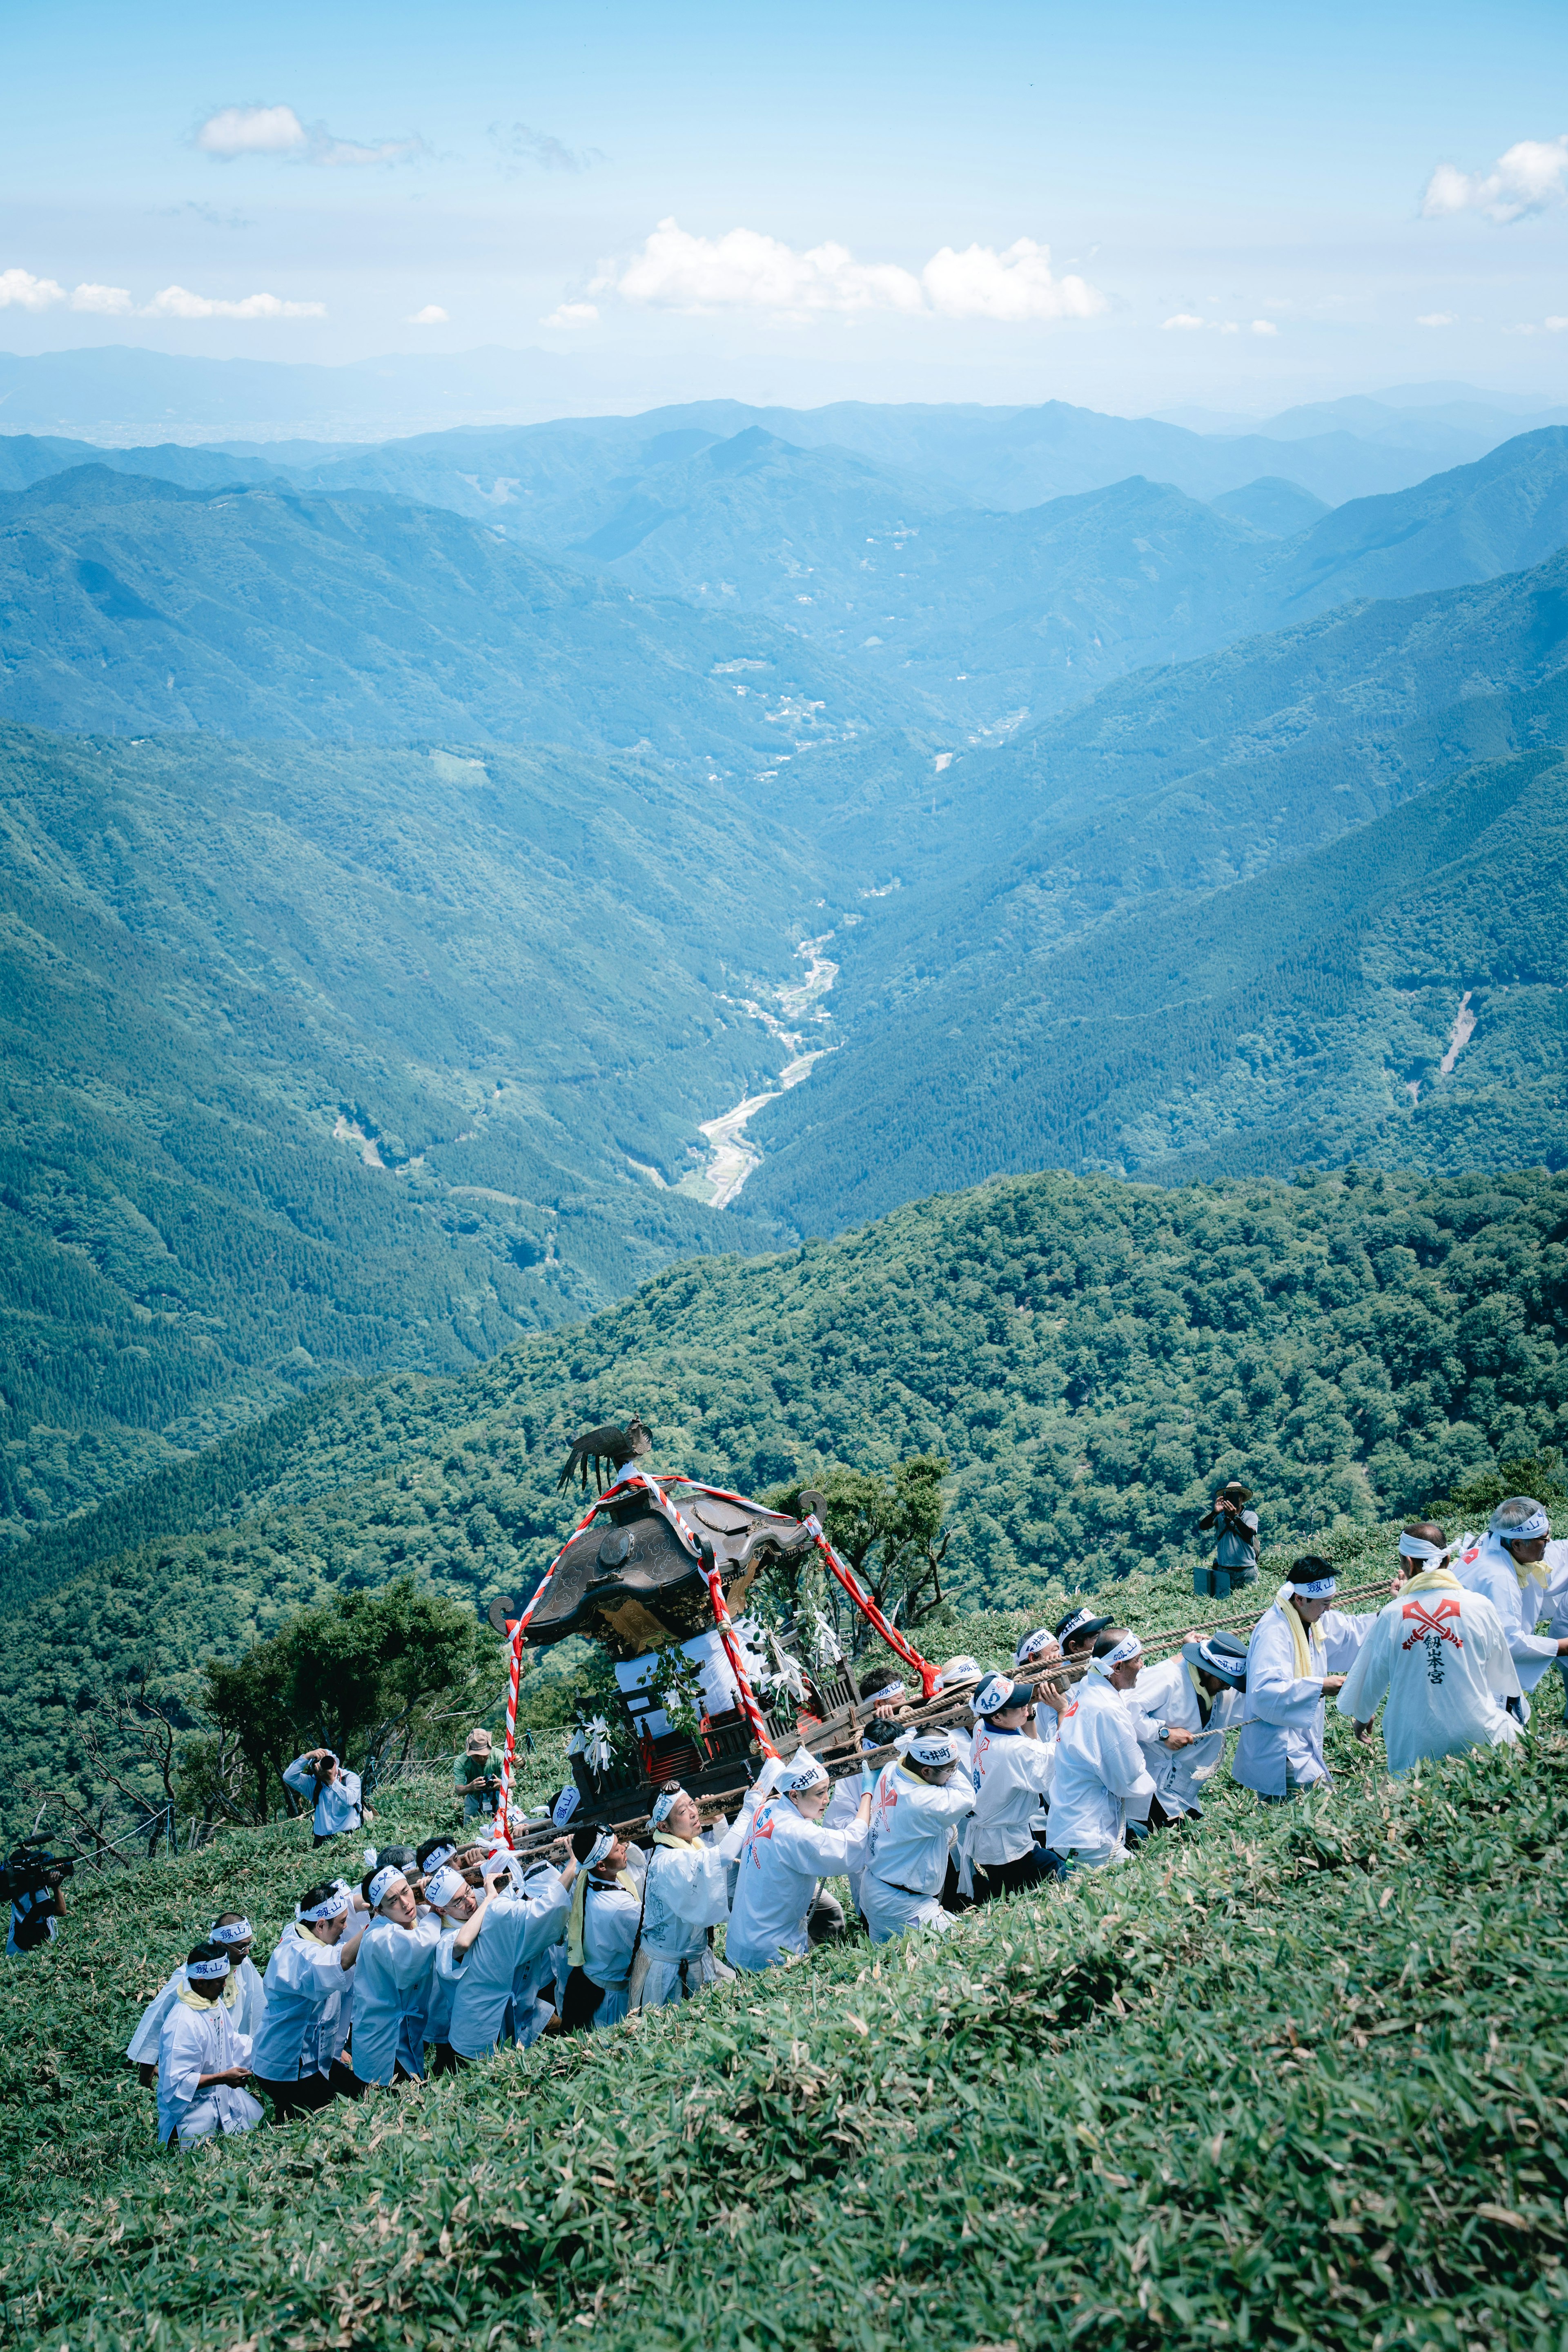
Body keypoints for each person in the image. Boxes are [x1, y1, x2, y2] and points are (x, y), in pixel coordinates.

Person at [1338, 1525, 1523, 1774]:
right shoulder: (1481, 1606)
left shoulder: (1393, 1614)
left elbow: (1372, 1676)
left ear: (1409, 1564)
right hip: (1479, 1735)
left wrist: (1362, 1716)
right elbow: (1502, 1678)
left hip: (1415, 1741)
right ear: (1448, 1559)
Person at [1231, 1556, 1377, 1802]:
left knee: (1313, 1807)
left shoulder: (1312, 1618)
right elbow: (1266, 1692)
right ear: (1300, 1598)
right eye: (1325, 1604)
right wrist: (1321, 1686)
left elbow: (1353, 1634)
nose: (1329, 1609)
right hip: (1281, 1749)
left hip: (1300, 1741)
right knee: (1316, 1807)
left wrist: (1398, 1611)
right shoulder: (1274, 1631)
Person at [727, 1755, 873, 1972]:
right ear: (794, 1796)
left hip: (742, 1937)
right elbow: (851, 1846)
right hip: (769, 1954)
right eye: (820, 1793)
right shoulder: (797, 1833)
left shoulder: (765, 1809)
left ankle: (830, 1953)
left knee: (831, 1910)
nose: (827, 1800)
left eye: (828, 1790)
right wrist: (867, 1795)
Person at [435, 1846, 575, 2062]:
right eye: (459, 1901)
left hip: (518, 2005)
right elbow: (463, 1942)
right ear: (442, 1911)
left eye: (469, 1892)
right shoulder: (445, 1936)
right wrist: (491, 1897)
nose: (470, 1902)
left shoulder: (477, 1904)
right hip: (478, 2020)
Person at [250, 1880, 368, 2121]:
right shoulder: (297, 1954)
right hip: (285, 2065)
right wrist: (374, 1925)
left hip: (314, 2058)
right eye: (342, 1923)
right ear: (322, 1925)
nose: (346, 1928)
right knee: (323, 2117)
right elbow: (340, 1962)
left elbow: (347, 1903)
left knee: (360, 2093)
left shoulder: (307, 1926)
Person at [1044, 1630, 1157, 1870]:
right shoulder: (1106, 1710)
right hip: (1089, 1829)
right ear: (1117, 1668)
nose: (1142, 1664)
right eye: (1137, 1659)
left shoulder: (1090, 1685)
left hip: (1076, 1819)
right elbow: (1128, 1775)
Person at [1452, 1499, 1568, 1722]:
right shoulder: (1499, 1578)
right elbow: (1509, 1643)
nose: (1549, 1542)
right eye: (1544, 1539)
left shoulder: (1491, 1541)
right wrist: (1562, 1647)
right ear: (1517, 1544)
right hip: (1478, 1670)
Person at [861, 1730, 975, 1944]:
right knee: (964, 1941)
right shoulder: (921, 1801)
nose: (953, 1774)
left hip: (878, 1886)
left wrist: (924, 1748)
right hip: (900, 1903)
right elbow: (967, 1797)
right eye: (951, 1770)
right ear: (926, 1772)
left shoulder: (891, 1768)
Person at [128, 1913, 266, 2088]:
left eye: (249, 1945)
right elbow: (160, 2014)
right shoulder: (191, 1976)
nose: (247, 1952)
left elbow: (259, 2002)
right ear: (220, 1945)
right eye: (241, 1947)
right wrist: (147, 2064)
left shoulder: (242, 1963)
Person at [156, 1942, 263, 2152]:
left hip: (221, 2096)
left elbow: (231, 2041)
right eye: (220, 1982)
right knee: (200, 2153)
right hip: (192, 2111)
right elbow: (177, 2084)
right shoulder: (182, 2023)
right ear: (201, 1983)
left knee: (257, 2120)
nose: (225, 1986)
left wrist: (263, 2053)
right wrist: (223, 2078)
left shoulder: (213, 2003)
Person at [1129, 1633, 1249, 1822]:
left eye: (1231, 1682)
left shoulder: (1222, 1691)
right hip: (1149, 1781)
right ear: (1207, 1670)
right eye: (1223, 1680)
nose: (1227, 1687)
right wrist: (1163, 1734)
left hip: (1180, 1789)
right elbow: (1126, 1713)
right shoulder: (1169, 1678)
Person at [635, 1785, 734, 2006]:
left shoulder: (691, 1846)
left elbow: (722, 1871)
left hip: (695, 1957)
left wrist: (718, 1822)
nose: (694, 1813)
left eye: (692, 1804)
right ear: (664, 1827)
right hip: (668, 1971)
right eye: (682, 1811)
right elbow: (721, 1859)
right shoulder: (670, 1862)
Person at [966, 1672, 1060, 1900]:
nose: (1026, 1707)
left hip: (994, 1842)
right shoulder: (1012, 1750)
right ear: (998, 1716)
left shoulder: (982, 1726)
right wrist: (1063, 1711)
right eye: (1019, 1706)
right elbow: (1059, 1756)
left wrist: (1028, 1715)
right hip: (1007, 1849)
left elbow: (1030, 1744)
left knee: (1015, 1894)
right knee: (1063, 1876)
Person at [349, 1864, 443, 2088]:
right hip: (383, 2040)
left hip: (396, 2029)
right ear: (379, 1910)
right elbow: (422, 1945)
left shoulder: (401, 1922)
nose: (405, 1903)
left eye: (405, 1891)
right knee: (393, 2097)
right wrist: (433, 1910)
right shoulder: (380, 1936)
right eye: (393, 1901)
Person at [559, 1824, 644, 2029]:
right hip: (611, 1998)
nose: (624, 1848)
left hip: (588, 1980)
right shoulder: (619, 1907)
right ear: (602, 1866)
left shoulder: (587, 1878)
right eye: (617, 1849)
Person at [282, 1749, 372, 1844]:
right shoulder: (313, 1783)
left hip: (349, 1837)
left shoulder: (350, 1778)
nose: (327, 1767)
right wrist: (308, 1756)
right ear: (315, 1769)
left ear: (335, 1762)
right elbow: (288, 1777)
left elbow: (350, 1801)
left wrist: (331, 1780)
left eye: (330, 1762)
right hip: (321, 1840)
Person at [1196, 1481, 1261, 1599]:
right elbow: (1203, 1526)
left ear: (1242, 1498)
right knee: (1224, 1603)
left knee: (1252, 1601)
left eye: (1236, 1496)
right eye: (1230, 1496)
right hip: (1224, 1569)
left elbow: (1249, 1534)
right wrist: (1215, 1512)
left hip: (1247, 1569)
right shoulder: (1220, 1517)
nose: (1233, 1499)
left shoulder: (1250, 1516)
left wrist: (1235, 1517)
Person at [455, 1729, 502, 1823]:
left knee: (507, 1821)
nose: (481, 1758)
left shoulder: (499, 1756)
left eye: (485, 1754)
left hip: (500, 1793)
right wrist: (470, 1787)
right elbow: (458, 1791)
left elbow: (513, 1782)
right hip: (474, 1797)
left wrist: (502, 1783)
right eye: (476, 1755)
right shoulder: (461, 1761)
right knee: (469, 1827)